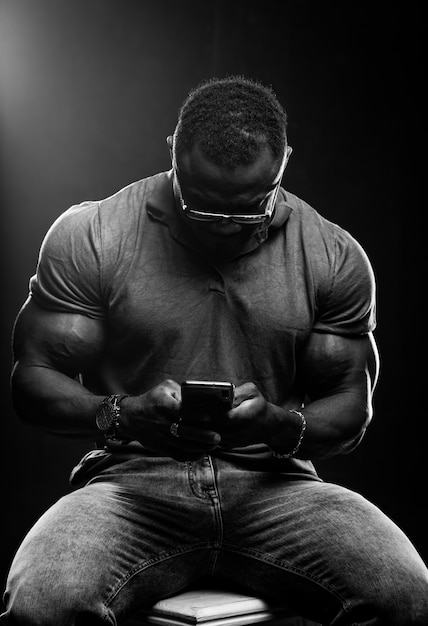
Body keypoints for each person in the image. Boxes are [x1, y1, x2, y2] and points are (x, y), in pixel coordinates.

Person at [2, 75, 427, 626]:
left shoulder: (332, 255)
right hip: (132, 484)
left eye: (249, 207)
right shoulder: (95, 234)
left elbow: (351, 403)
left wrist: (278, 426)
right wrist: (120, 414)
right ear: (173, 156)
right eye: (203, 207)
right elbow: (32, 378)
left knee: (409, 594)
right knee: (42, 606)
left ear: (283, 165)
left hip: (278, 487)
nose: (226, 228)